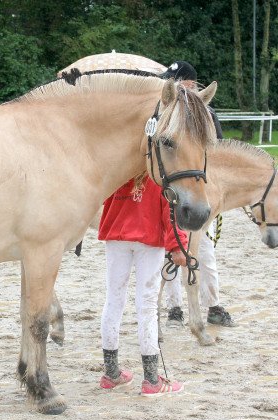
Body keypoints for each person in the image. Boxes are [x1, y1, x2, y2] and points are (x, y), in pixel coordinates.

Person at [98, 172, 187, 396]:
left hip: (116, 235)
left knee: (113, 300)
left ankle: (111, 373)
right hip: (149, 237)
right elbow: (171, 210)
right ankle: (151, 379)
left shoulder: (118, 165)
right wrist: (178, 245)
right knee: (146, 305)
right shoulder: (158, 172)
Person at [160, 61, 233, 328]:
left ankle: (212, 304)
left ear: (190, 84)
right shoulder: (165, 112)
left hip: (199, 190)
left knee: (204, 250)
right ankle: (174, 308)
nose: (172, 86)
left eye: (177, 81)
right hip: (173, 190)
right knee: (169, 250)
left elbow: (217, 153)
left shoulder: (206, 114)